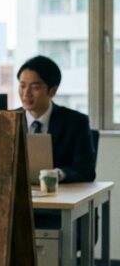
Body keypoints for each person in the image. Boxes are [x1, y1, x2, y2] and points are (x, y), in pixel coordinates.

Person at [17, 55, 95, 183]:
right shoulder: (7, 120)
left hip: (59, 192)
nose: (26, 93)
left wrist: (58, 174)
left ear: (52, 91)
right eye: (22, 86)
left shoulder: (76, 122)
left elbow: (86, 170)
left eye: (35, 87)